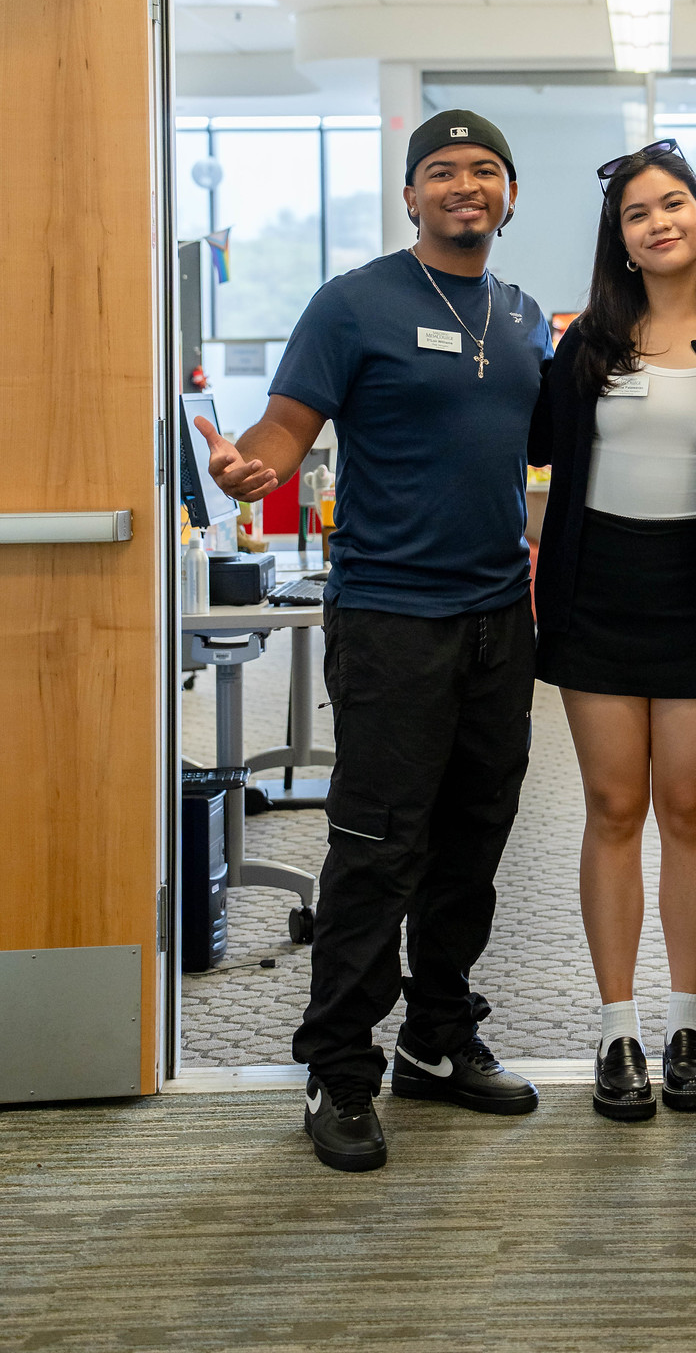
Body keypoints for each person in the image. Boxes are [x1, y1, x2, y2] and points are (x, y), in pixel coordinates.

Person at [195, 109, 552, 1173]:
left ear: (509, 193)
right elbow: (281, 431)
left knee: (473, 843)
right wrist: (248, 466)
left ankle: (438, 1042)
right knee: (376, 847)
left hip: (501, 617)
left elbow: (534, 445)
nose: (464, 185)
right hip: (394, 617)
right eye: (441, 170)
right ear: (409, 194)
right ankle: (339, 1067)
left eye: (485, 169)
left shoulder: (524, 312)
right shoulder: (351, 302)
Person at [529, 140, 696, 1122]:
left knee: (685, 807)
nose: (658, 221)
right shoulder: (586, 343)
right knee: (609, 805)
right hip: (597, 598)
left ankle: (687, 1022)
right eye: (638, 213)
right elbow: (534, 446)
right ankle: (617, 1028)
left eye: (673, 203)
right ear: (622, 239)